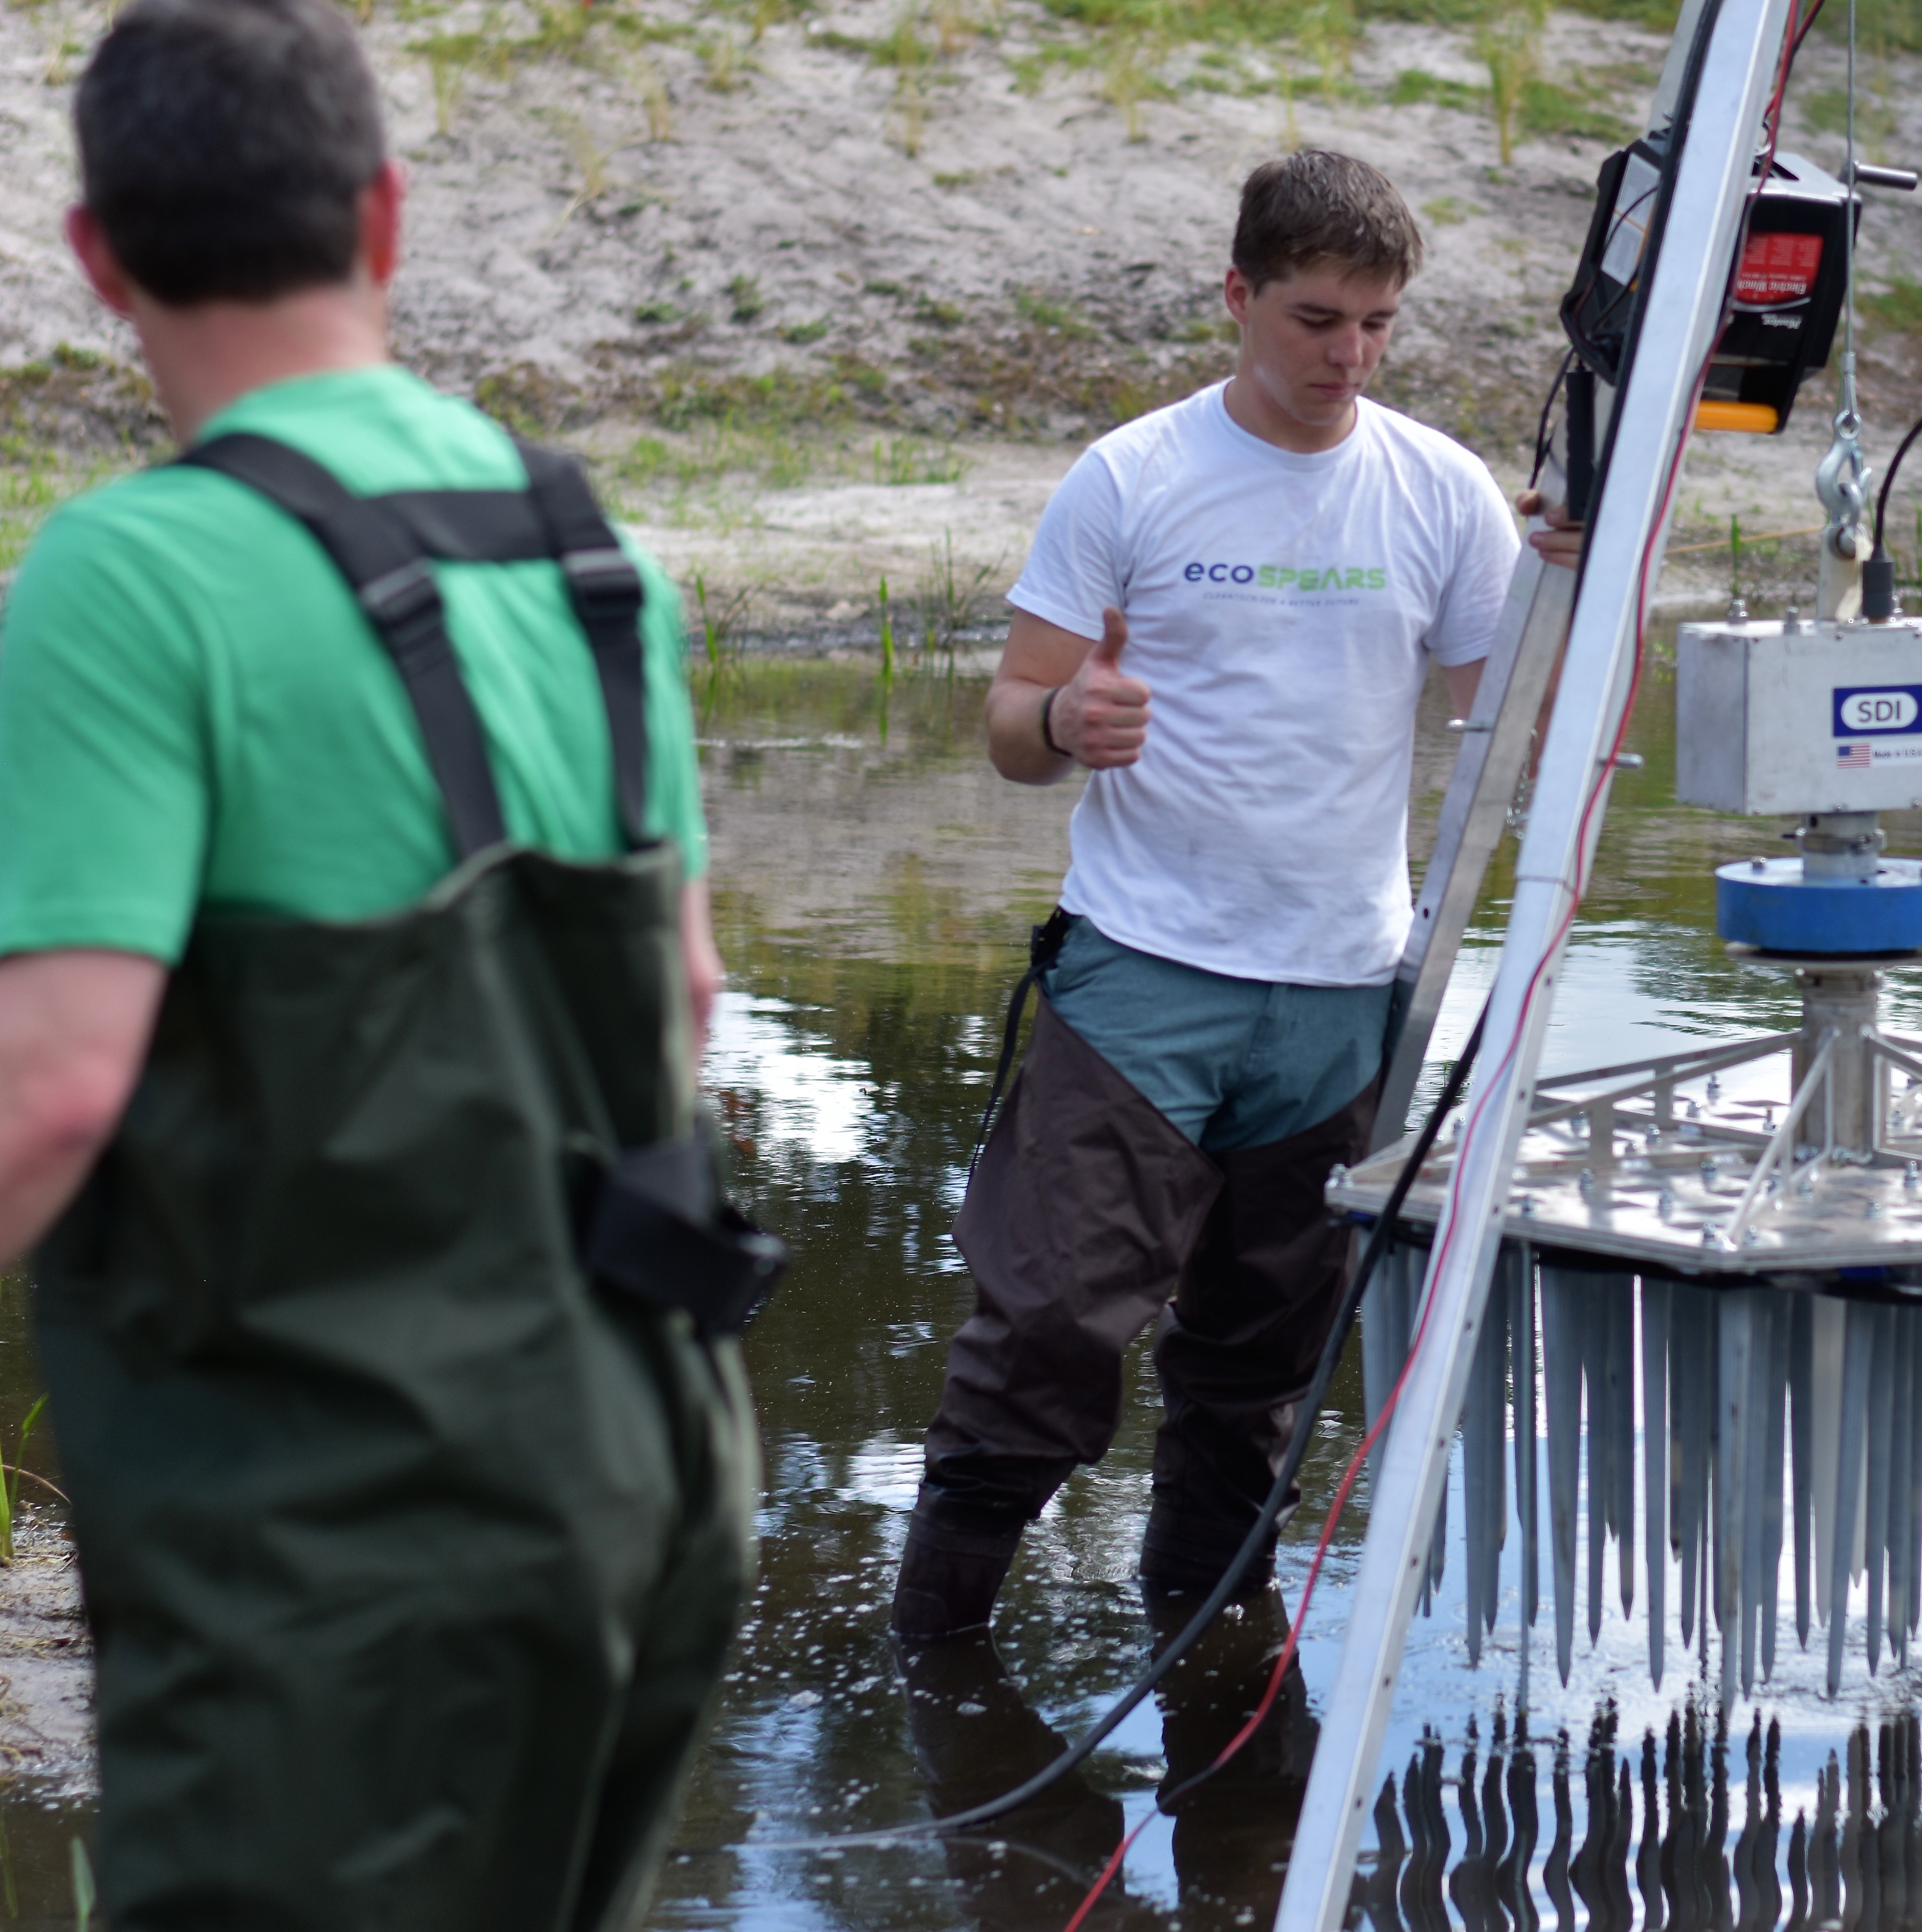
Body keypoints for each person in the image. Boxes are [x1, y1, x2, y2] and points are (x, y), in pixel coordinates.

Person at [0, 1, 760, 1924]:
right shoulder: (595, 561)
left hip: (342, 1542)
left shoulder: (131, 576)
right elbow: (682, 1003)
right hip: (644, 1480)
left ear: (97, 257)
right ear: (387, 218)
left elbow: (55, 1086)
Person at [895, 149, 1575, 1641]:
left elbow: (1508, 724)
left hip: (1344, 994)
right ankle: (931, 1652)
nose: (1349, 356)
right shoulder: (1133, 477)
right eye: (1319, 318)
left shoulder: (1438, 490)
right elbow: (1011, 716)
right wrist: (1069, 725)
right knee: (1052, 1327)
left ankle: (1204, 1649)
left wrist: (1567, 593)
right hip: (1143, 979)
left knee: (1259, 1364)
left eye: (1379, 325)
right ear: (1239, 297)